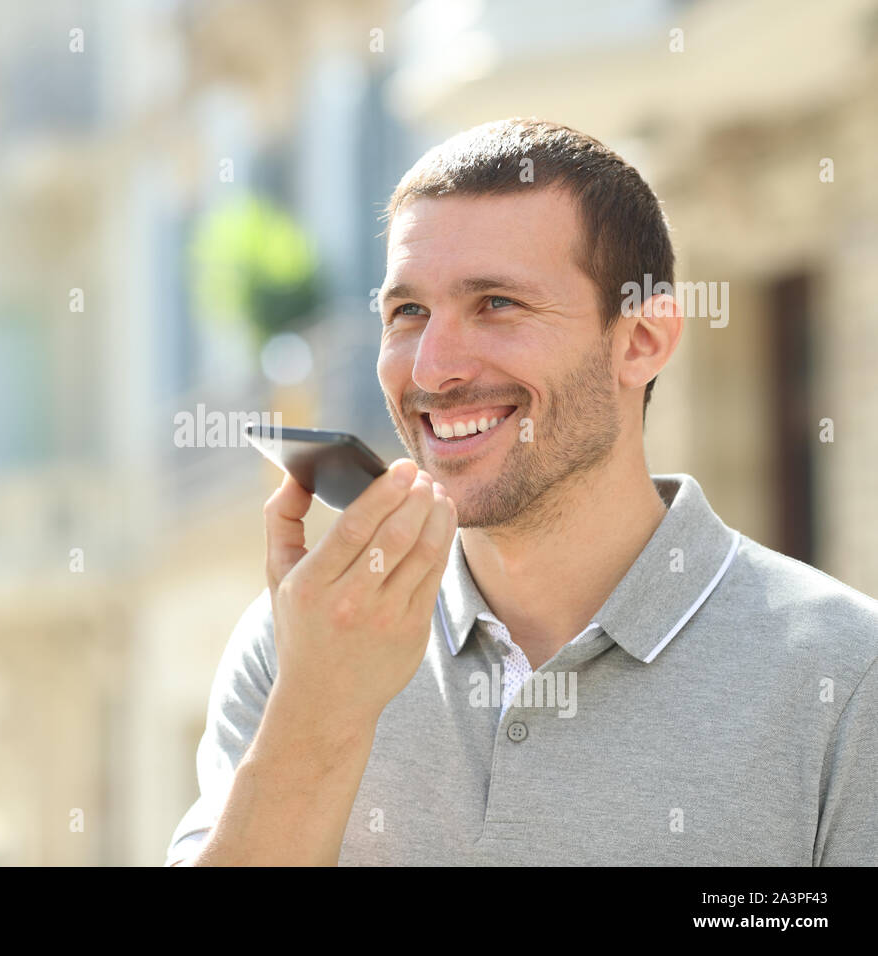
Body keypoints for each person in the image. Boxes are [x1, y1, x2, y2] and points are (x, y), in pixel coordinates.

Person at [165, 118, 878, 866]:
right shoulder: (304, 643)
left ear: (641, 341)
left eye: (498, 304)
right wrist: (317, 715)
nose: (433, 368)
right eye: (407, 312)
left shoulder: (847, 677)